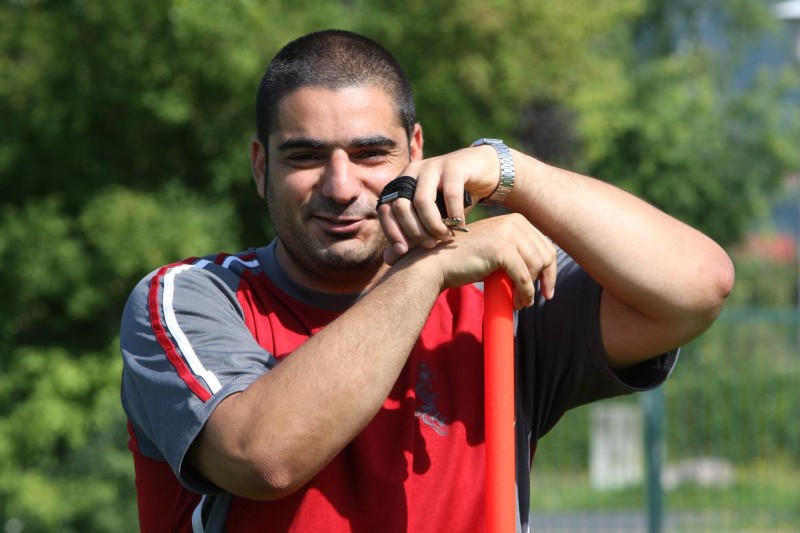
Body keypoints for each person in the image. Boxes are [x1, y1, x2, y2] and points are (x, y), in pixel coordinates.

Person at [120, 29, 734, 532]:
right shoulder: (191, 297)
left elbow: (698, 286)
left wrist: (510, 172)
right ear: (261, 166)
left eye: (370, 153)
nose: (341, 186)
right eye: (306, 156)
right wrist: (429, 267)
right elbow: (264, 458)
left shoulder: (496, 299)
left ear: (416, 151)